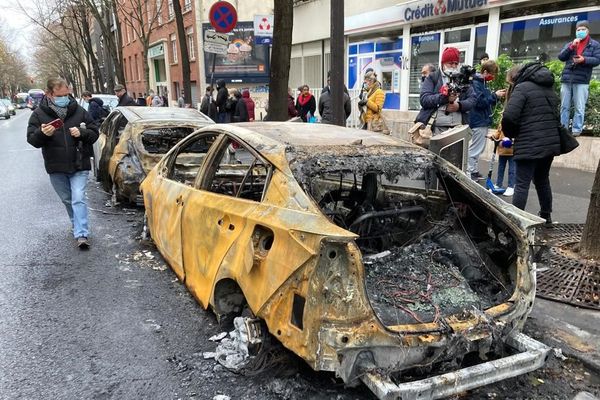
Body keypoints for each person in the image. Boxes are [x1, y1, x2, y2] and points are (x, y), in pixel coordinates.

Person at [27, 77, 99, 249]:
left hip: (78, 163)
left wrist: (82, 133)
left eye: (67, 94)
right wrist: (43, 133)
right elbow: (32, 140)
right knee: (68, 200)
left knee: (78, 198)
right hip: (56, 166)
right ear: (50, 94)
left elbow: (94, 132)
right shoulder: (38, 114)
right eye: (60, 95)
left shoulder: (79, 111)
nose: (65, 98)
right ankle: (76, 224)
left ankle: (81, 234)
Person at [501, 62, 561, 224]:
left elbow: (509, 116)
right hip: (549, 143)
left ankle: (516, 222)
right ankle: (546, 216)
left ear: (515, 78)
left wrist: (511, 134)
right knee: (542, 180)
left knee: (521, 184)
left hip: (528, 142)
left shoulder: (522, 88)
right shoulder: (547, 87)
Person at [415, 46, 476, 136]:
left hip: (458, 127)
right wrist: (444, 97)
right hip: (435, 128)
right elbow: (424, 99)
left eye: (456, 63)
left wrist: (459, 106)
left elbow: (473, 99)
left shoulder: (462, 79)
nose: (454, 66)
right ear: (443, 63)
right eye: (450, 63)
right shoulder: (433, 77)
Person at [558, 20, 600, 136]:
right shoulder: (571, 43)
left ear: (588, 31)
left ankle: (576, 130)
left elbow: (597, 60)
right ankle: (563, 129)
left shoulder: (594, 44)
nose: (580, 31)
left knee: (579, 107)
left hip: (582, 80)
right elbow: (561, 57)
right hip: (567, 79)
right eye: (578, 30)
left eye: (583, 29)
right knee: (564, 106)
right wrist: (571, 47)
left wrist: (584, 60)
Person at [467, 60, 506, 181]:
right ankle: (470, 171)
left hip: (481, 119)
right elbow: (479, 102)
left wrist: (496, 97)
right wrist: (495, 95)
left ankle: (473, 170)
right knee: (476, 148)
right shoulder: (476, 84)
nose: (493, 77)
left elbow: (485, 101)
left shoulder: (481, 83)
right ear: (485, 71)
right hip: (478, 120)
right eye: (492, 74)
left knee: (479, 148)